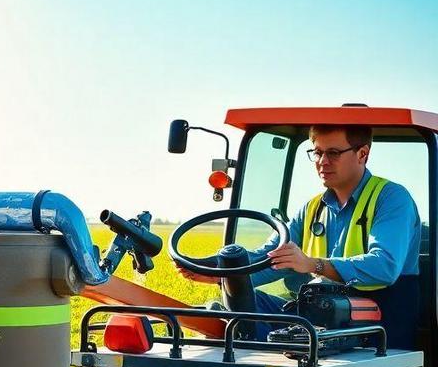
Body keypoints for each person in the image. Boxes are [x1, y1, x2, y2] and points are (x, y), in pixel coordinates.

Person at [179, 124, 421, 348]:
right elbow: (272, 257)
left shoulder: (391, 199)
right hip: (320, 318)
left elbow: (385, 266)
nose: (323, 162)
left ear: (362, 154)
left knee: (285, 334)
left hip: (375, 327)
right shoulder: (313, 208)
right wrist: (221, 273)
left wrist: (313, 264)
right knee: (248, 306)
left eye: (333, 153)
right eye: (317, 153)